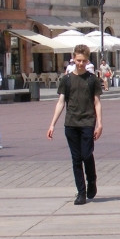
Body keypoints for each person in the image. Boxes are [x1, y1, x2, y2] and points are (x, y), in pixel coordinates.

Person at [47, 45, 103, 205]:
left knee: (87, 154)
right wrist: (52, 124)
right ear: (73, 59)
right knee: (76, 159)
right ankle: (81, 192)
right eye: (78, 60)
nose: (81, 63)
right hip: (71, 123)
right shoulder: (66, 80)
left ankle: (92, 179)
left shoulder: (92, 79)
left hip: (87, 121)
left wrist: (100, 123)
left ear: (88, 60)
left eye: (84, 61)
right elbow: (60, 102)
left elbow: (97, 102)